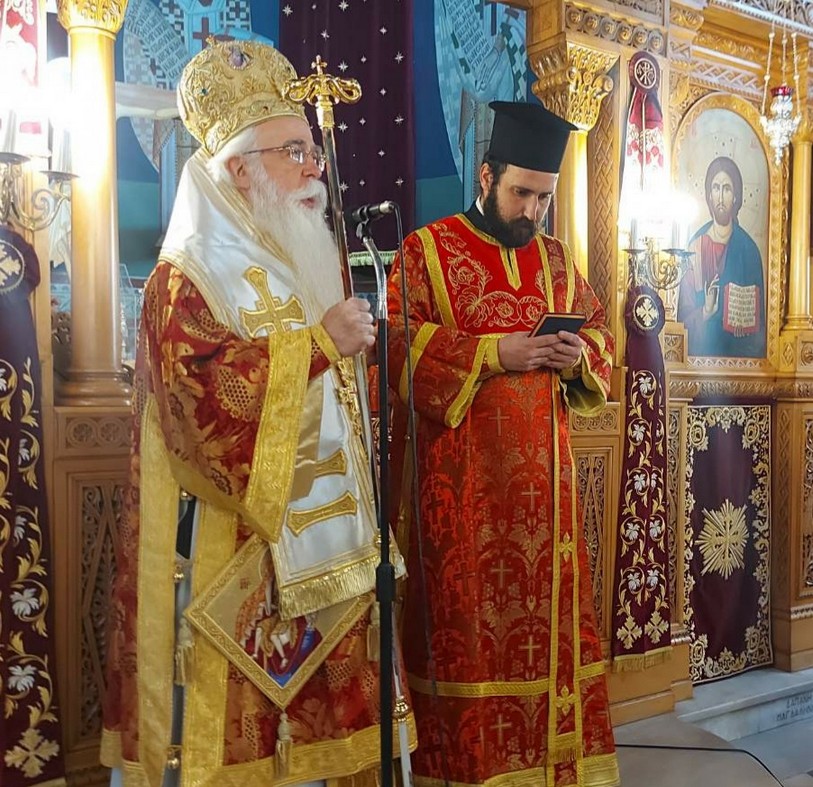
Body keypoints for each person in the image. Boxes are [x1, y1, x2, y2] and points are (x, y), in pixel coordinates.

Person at [101, 40, 412, 787]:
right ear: (239, 170)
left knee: (333, 738)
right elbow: (199, 405)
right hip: (236, 556)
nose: (315, 170)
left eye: (311, 152)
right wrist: (319, 345)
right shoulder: (185, 277)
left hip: (332, 547)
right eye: (293, 153)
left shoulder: (299, 255)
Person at [386, 101, 619, 787]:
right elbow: (394, 349)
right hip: (462, 505)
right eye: (521, 193)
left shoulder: (556, 260)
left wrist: (577, 355)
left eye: (544, 198)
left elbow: (602, 335)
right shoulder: (426, 251)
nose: (533, 211)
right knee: (467, 637)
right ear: (486, 177)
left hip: (547, 506)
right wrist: (495, 353)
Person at [677, 156, 766, 357]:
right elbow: (683, 316)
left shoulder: (749, 250)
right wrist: (705, 311)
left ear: (735, 196)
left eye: (727, 189)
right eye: (716, 188)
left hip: (739, 360)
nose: (720, 197)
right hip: (699, 358)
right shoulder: (695, 247)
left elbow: (758, 327)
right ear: (709, 195)